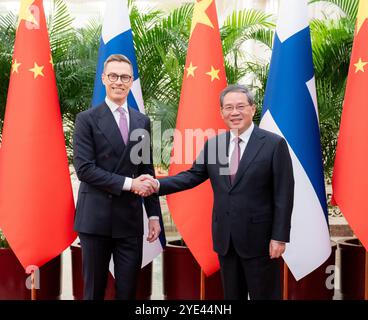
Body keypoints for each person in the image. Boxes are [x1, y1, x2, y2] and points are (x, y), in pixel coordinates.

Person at [142, 84, 294, 300]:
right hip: (226, 240)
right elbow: (192, 176)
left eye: (240, 106)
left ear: (252, 108)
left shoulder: (273, 144)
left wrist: (279, 237)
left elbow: (284, 195)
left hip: (261, 241)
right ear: (221, 112)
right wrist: (157, 185)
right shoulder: (215, 145)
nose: (235, 112)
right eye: (229, 107)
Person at [73, 54, 161, 300]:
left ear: (131, 81)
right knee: (94, 292)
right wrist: (129, 184)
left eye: (124, 77)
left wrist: (153, 215)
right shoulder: (86, 120)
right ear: (103, 78)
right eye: (113, 76)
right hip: (95, 220)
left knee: (128, 292)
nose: (118, 82)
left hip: (129, 220)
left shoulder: (141, 121)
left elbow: (146, 169)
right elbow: (85, 170)